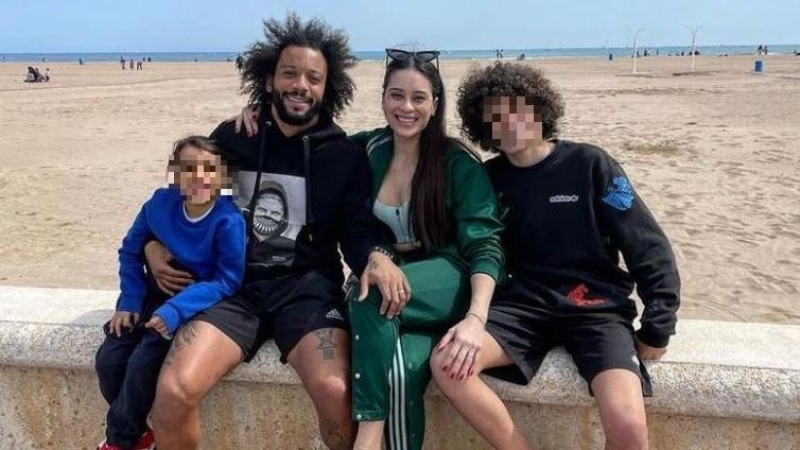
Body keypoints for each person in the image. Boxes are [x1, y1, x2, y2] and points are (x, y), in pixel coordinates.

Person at [145, 14, 404, 450]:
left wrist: (376, 257)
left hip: (306, 290)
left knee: (337, 394)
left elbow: (356, 231)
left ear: (328, 88)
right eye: (289, 73)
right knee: (173, 392)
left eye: (313, 77)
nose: (301, 84)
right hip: (231, 288)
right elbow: (182, 197)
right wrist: (153, 245)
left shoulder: (343, 156)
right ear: (268, 81)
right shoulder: (233, 137)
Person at [234, 48, 505, 450]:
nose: (406, 107)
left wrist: (475, 317)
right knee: (402, 370)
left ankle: (369, 435)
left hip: (448, 278)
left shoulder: (458, 163)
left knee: (367, 290)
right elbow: (308, 133)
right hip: (395, 277)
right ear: (382, 99)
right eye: (396, 95)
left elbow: (485, 245)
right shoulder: (367, 148)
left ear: (435, 103)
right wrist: (259, 111)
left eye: (418, 98)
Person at [431, 62, 681, 449]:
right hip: (522, 309)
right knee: (447, 364)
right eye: (494, 116)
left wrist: (658, 323)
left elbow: (646, 243)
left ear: (539, 110)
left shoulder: (590, 164)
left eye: (516, 110)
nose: (508, 123)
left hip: (595, 309)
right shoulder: (486, 180)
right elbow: (464, 243)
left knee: (629, 427)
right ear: (483, 126)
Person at [95, 136, 246, 450]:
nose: (199, 178)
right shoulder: (159, 204)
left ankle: (119, 442)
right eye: (189, 169)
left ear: (223, 177)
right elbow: (130, 251)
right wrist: (130, 300)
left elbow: (228, 280)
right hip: (151, 293)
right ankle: (139, 434)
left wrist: (175, 311)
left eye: (209, 169)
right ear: (174, 173)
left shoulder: (228, 220)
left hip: (193, 301)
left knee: (144, 360)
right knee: (109, 360)